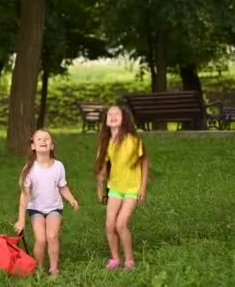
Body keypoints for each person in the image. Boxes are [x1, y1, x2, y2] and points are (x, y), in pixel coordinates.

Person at [14, 129, 79, 275]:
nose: (43, 141)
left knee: (52, 236)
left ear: (52, 146)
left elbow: (62, 187)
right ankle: (39, 268)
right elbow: (24, 195)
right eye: (39, 139)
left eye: (46, 139)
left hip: (54, 208)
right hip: (36, 208)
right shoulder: (30, 168)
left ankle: (54, 268)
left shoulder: (58, 166)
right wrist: (21, 220)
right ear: (33, 146)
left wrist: (71, 199)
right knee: (41, 239)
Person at [94, 106, 149, 270]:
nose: (112, 116)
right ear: (106, 121)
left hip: (132, 188)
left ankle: (129, 261)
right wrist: (100, 187)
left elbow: (144, 163)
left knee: (120, 224)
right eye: (109, 114)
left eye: (117, 113)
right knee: (109, 225)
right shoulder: (105, 143)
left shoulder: (134, 140)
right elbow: (102, 168)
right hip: (115, 188)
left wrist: (143, 188)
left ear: (124, 119)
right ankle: (115, 259)